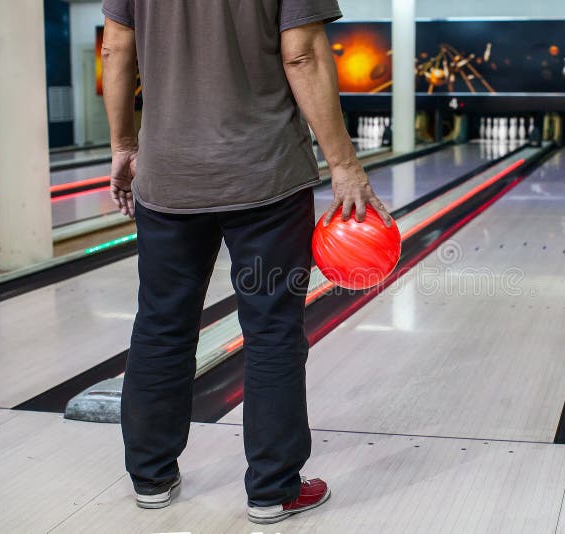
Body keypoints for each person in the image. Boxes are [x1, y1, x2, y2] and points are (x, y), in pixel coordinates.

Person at [100, 0, 391, 525]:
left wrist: (123, 144)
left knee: (162, 324)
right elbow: (302, 55)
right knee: (272, 330)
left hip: (168, 178)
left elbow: (116, 48)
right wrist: (345, 164)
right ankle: (274, 490)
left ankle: (150, 477)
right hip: (266, 177)